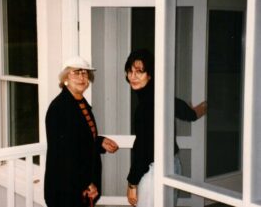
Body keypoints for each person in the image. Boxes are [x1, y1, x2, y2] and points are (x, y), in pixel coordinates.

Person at [124, 49, 207, 207]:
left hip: (153, 171)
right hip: (172, 165)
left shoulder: (144, 107)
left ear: (150, 75)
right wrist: (200, 110)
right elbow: (187, 113)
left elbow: (143, 149)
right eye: (130, 71)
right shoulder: (161, 95)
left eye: (139, 72)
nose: (132, 76)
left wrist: (132, 184)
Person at [44, 56, 119, 207]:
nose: (82, 77)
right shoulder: (59, 108)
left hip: (78, 187)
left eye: (85, 73)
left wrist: (99, 141)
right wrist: (85, 183)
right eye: (76, 72)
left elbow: (78, 140)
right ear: (65, 77)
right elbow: (64, 154)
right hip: (67, 189)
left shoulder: (81, 103)